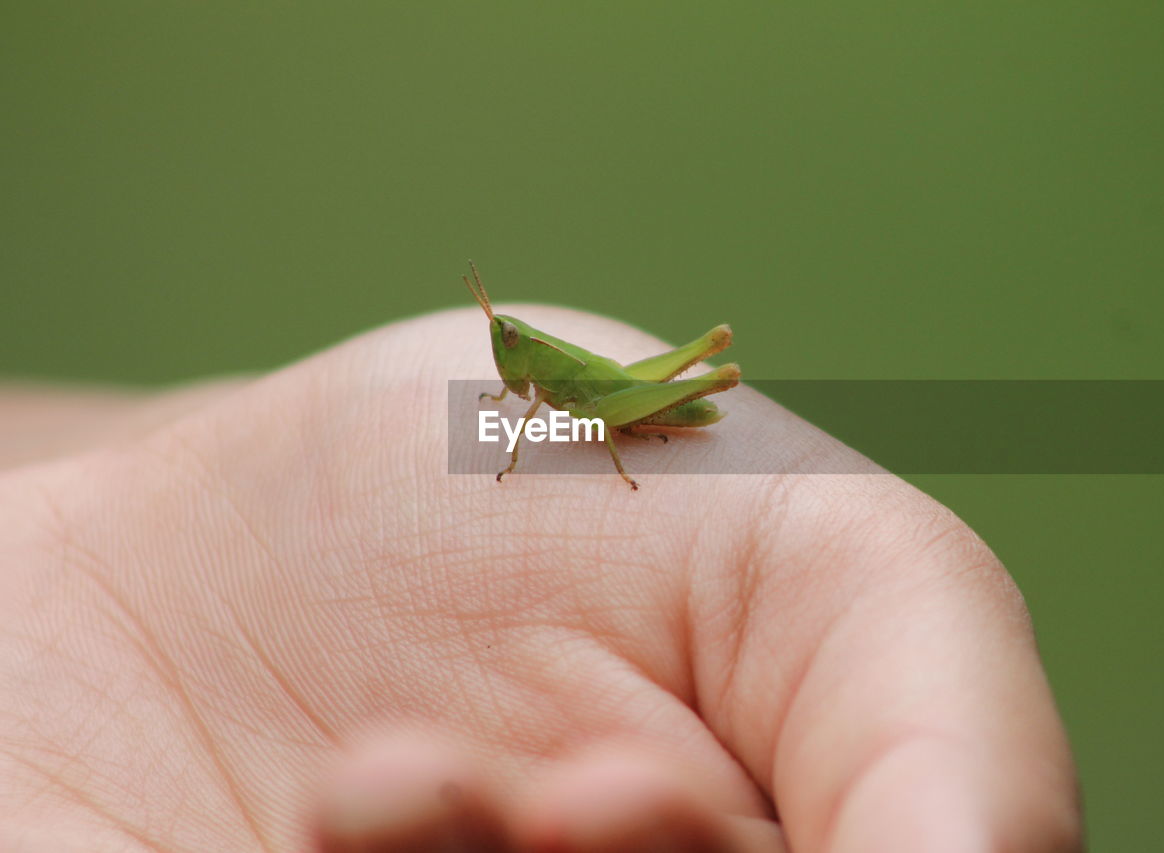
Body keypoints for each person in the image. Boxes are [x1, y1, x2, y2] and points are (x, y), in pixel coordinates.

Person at [0, 306, 1082, 852]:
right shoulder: (520, 382)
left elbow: (566, 408)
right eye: (502, 343)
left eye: (507, 339)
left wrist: (604, 443)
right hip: (609, 416)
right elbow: (525, 417)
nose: (506, 355)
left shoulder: (551, 380)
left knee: (691, 372)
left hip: (641, 405)